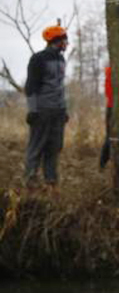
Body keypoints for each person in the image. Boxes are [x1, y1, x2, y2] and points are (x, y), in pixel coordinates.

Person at [24, 25, 69, 187]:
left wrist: (64, 109)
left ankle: (51, 181)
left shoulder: (61, 59)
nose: (67, 43)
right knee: (36, 146)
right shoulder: (38, 59)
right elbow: (30, 87)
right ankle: (30, 180)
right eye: (65, 40)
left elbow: (60, 87)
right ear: (56, 41)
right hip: (42, 110)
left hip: (58, 111)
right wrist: (32, 110)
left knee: (54, 147)